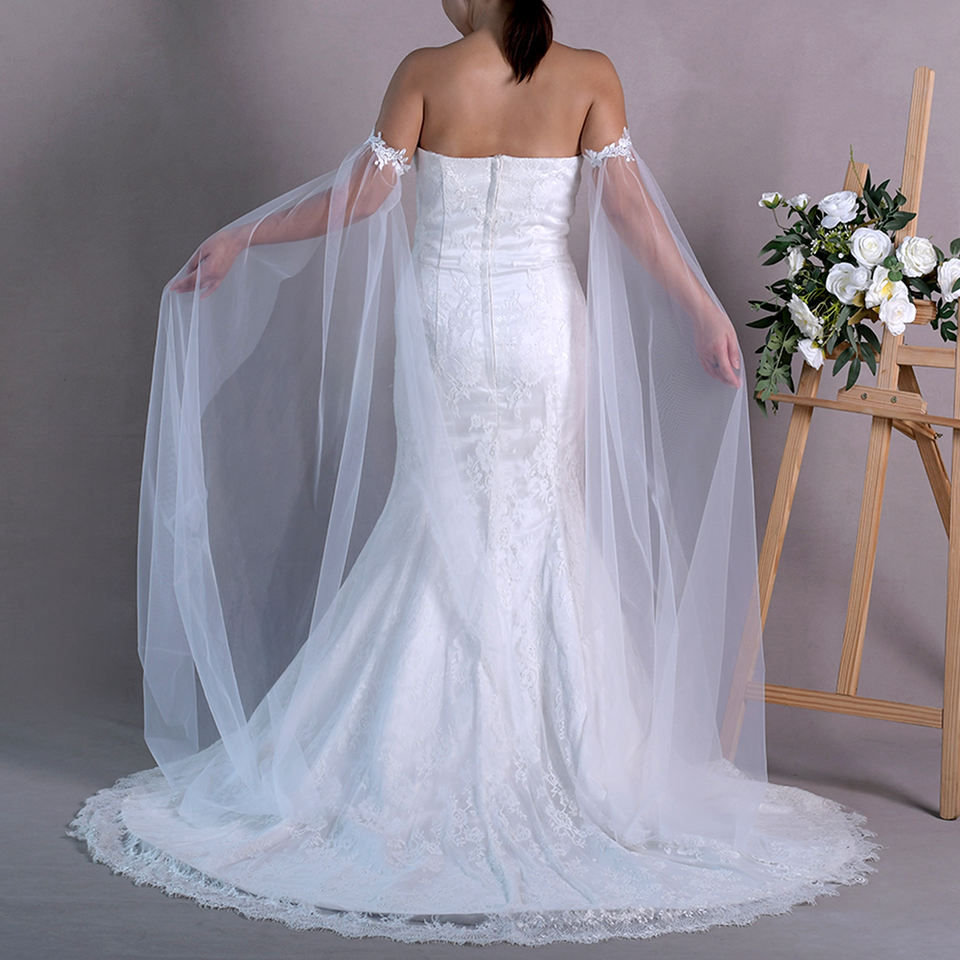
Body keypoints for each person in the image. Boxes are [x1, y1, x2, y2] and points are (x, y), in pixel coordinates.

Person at [67, 0, 881, 947]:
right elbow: (628, 209)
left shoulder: (424, 71)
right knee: (540, 519)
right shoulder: (590, 73)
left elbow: (360, 199)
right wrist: (701, 309)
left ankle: (402, 753)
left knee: (436, 517)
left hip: (445, 327)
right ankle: (568, 755)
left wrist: (244, 237)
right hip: (543, 330)